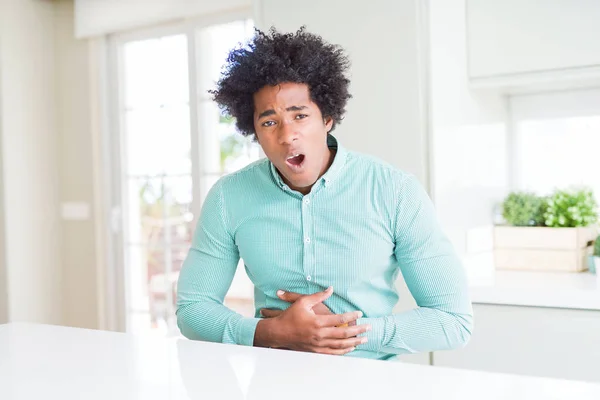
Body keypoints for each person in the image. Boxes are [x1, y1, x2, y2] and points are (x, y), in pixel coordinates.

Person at [176, 27, 473, 360]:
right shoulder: (228, 197)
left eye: (300, 116)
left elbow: (453, 320)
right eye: (269, 122)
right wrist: (267, 333)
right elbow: (192, 309)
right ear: (254, 131)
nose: (288, 135)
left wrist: (341, 334)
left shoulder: (395, 192)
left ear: (327, 118)